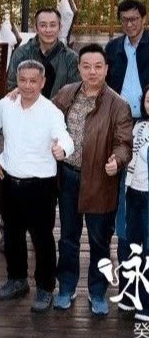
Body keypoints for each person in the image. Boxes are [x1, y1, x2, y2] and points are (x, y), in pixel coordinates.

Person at [0, 60, 74, 313]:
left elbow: (65, 136)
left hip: (41, 185)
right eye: (22, 80)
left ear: (43, 82)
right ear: (16, 80)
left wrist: (62, 149)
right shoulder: (6, 104)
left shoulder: (51, 111)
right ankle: (17, 279)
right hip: (9, 181)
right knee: (12, 234)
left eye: (33, 81)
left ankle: (45, 287)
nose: (27, 86)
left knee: (42, 237)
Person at [51, 44, 133, 315]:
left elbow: (124, 142)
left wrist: (117, 160)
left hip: (100, 181)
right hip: (68, 178)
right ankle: (66, 287)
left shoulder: (118, 104)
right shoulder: (66, 94)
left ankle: (97, 292)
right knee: (68, 237)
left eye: (98, 66)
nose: (92, 72)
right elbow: (47, 118)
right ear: (79, 68)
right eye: (86, 66)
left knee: (100, 240)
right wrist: (18, 94)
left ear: (106, 69)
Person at [105, 0, 149, 300]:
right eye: (124, 19)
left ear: (143, 19)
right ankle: (128, 285)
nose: (129, 24)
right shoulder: (113, 48)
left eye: (134, 19)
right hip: (120, 125)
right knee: (122, 197)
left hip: (146, 122)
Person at [6, 7, 80, 98]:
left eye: (52, 25)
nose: (48, 30)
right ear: (35, 28)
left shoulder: (71, 58)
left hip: (59, 106)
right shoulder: (21, 54)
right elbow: (11, 86)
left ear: (60, 27)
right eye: (43, 25)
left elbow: (74, 91)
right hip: (27, 104)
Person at [122, 84, 149, 322]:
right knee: (131, 244)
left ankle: (146, 304)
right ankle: (130, 295)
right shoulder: (139, 126)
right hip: (134, 192)